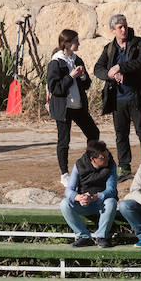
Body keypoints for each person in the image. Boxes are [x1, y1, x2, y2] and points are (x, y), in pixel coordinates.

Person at [94, 14, 141, 178]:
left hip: (137, 96)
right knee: (120, 134)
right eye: (120, 27)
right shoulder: (109, 48)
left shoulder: (140, 43)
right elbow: (97, 68)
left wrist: (121, 68)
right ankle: (124, 167)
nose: (124, 29)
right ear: (113, 30)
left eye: (125, 26)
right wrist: (109, 74)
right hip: (118, 99)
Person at [47, 29, 100, 186]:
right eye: (76, 41)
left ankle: (89, 164)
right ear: (67, 44)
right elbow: (55, 88)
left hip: (78, 106)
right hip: (64, 108)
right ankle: (64, 174)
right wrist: (71, 76)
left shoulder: (77, 59)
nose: (79, 43)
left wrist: (82, 76)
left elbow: (87, 84)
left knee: (93, 132)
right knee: (64, 141)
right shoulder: (56, 62)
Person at [60, 139, 118, 248]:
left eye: (107, 155)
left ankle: (102, 236)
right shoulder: (79, 165)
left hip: (101, 204)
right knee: (64, 204)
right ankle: (83, 236)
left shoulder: (111, 165)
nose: (107, 159)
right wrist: (79, 197)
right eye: (103, 157)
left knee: (111, 202)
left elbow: (111, 190)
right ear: (93, 159)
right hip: (84, 204)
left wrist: (94, 197)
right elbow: (68, 190)